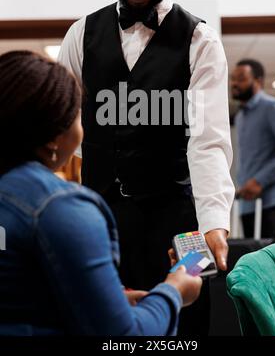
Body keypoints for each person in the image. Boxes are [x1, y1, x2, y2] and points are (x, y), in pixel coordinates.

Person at [59, 0, 234, 334]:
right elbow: (60, 130)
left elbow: (208, 142)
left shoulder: (201, 42)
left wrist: (214, 223)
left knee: (184, 326)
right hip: (99, 222)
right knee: (104, 326)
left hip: (180, 225)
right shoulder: (81, 35)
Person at [0, 50, 202, 336]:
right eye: (80, 114)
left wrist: (111, 301)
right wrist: (174, 292)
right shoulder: (61, 208)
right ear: (55, 138)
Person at [231, 59, 275, 239]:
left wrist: (259, 181)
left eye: (241, 79)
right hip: (247, 202)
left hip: (272, 200)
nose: (235, 83)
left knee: (266, 257)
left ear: (258, 81)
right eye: (233, 79)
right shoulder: (240, 117)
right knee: (249, 255)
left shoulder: (272, 108)